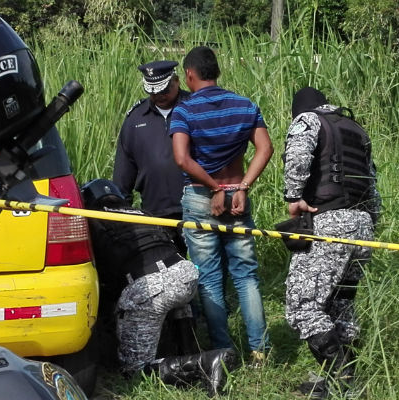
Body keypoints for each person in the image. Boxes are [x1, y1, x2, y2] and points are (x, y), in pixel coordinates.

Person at [81, 179, 237, 398]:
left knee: (135, 371)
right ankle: (189, 354)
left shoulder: (95, 220)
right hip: (185, 272)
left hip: (152, 285)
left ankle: (205, 363)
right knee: (174, 302)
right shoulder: (141, 212)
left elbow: (105, 279)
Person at [169, 46, 273, 362]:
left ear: (189, 75)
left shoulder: (184, 111)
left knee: (209, 278)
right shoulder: (245, 105)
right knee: (246, 276)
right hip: (238, 196)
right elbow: (265, 149)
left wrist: (215, 187)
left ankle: (222, 352)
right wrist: (240, 186)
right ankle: (260, 351)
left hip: (202, 198)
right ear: (217, 72)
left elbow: (181, 158)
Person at [282, 87, 381, 398]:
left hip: (329, 224)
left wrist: (294, 196)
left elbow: (298, 155)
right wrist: (371, 224)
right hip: (363, 226)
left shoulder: (307, 120)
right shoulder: (356, 128)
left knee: (302, 308)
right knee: (341, 306)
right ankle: (338, 381)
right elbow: (372, 183)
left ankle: (345, 384)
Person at [112, 59, 189, 255]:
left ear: (177, 82)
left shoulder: (194, 108)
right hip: (156, 211)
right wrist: (121, 208)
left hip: (195, 209)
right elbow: (124, 169)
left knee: (206, 271)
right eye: (152, 91)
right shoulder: (136, 118)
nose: (158, 96)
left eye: (164, 90)